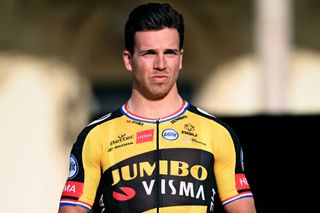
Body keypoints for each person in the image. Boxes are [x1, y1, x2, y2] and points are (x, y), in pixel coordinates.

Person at [58, 2, 256, 213]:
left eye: (170, 53)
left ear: (180, 58)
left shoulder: (217, 133)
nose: (160, 64)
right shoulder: (96, 135)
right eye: (149, 53)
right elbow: (73, 210)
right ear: (128, 60)